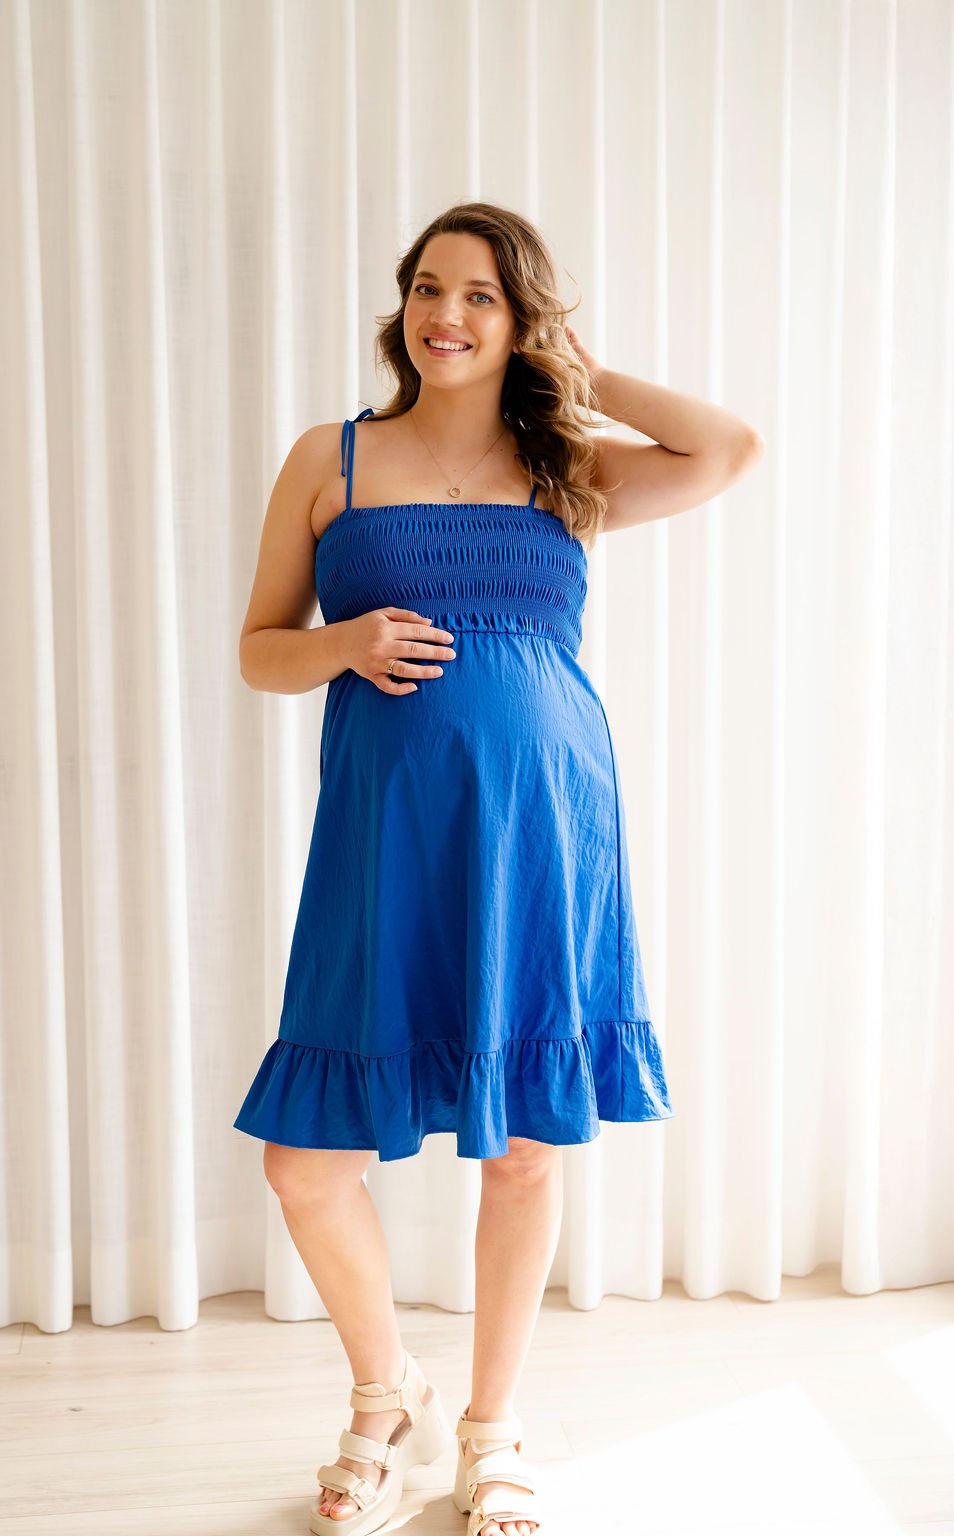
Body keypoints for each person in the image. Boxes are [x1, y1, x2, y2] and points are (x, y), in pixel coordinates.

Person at [233, 201, 764, 1536]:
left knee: (525, 1147)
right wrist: (343, 642)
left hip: (543, 832)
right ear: (401, 307)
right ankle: (387, 1393)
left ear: (522, 319)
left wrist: (583, 373)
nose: (447, 315)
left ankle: (492, 1428)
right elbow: (258, 648)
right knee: (304, 1164)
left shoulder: (566, 465)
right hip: (382, 839)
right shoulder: (330, 459)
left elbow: (727, 448)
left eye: (480, 294)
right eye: (428, 288)